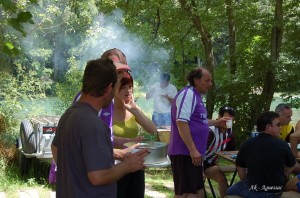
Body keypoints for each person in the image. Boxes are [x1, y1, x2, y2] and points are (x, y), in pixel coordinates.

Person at [51, 59, 149, 198]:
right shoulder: (93, 124)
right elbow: (98, 176)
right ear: (109, 88)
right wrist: (128, 165)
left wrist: (74, 175)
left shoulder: (69, 114)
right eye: (116, 87)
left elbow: (55, 148)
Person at [226, 111, 296, 198]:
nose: (280, 128)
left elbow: (239, 166)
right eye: (278, 125)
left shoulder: (247, 144)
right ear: (268, 127)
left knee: (229, 191)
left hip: (254, 191)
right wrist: (284, 174)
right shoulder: (283, 145)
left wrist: (245, 180)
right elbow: (292, 165)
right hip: (276, 191)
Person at [168, 67, 212, 198]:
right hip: (185, 152)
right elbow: (181, 122)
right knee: (186, 193)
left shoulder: (196, 96)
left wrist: (218, 122)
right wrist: (192, 149)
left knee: (198, 192)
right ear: (196, 80)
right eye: (207, 80)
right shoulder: (188, 94)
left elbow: (199, 121)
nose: (210, 84)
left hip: (194, 154)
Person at [113, 72, 157, 198]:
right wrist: (128, 140)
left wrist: (134, 110)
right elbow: (103, 138)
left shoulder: (133, 109)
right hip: (115, 168)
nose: (128, 91)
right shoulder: (107, 110)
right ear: (113, 88)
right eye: (123, 87)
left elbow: (152, 129)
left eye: (130, 87)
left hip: (136, 166)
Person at [204, 106, 236, 198]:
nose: (228, 122)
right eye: (226, 119)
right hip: (201, 163)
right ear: (219, 117)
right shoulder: (211, 131)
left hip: (212, 163)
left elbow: (232, 152)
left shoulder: (230, 132)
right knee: (221, 177)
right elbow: (199, 152)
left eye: (231, 120)